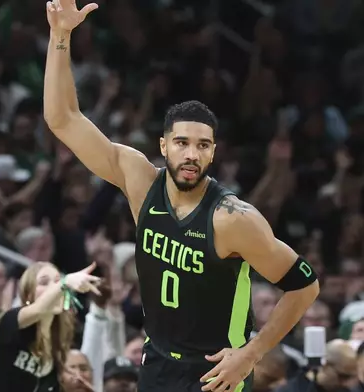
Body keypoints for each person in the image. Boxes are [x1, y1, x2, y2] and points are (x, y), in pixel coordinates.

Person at [42, 1, 320, 391]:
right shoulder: (138, 180)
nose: (192, 154)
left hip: (215, 372)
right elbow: (63, 120)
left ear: (213, 152)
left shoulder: (233, 218)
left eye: (203, 145)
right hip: (156, 361)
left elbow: (304, 286)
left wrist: (251, 352)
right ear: (164, 145)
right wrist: (60, 34)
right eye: (182, 143)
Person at [0, 261, 100, 392]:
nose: (55, 289)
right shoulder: (11, 320)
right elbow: (38, 309)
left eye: (56, 281)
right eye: (44, 283)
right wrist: (65, 282)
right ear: (29, 295)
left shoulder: (57, 344)